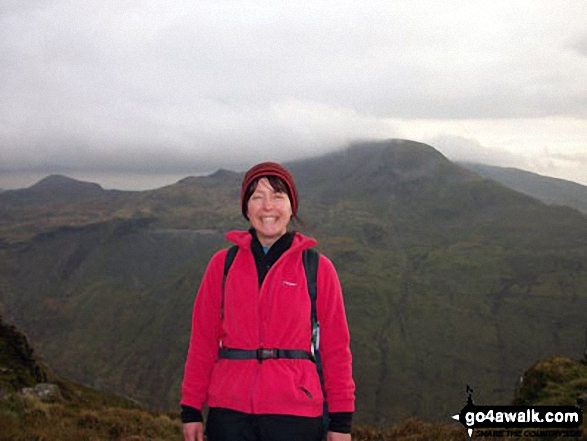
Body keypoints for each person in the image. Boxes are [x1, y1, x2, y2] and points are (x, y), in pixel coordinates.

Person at [180, 162, 355, 441]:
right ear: (246, 208)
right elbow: (203, 339)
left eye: (277, 196)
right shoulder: (222, 266)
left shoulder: (318, 269)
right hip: (229, 415)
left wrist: (341, 421)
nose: (267, 206)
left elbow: (336, 349)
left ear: (291, 207)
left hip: (296, 417)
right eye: (257, 197)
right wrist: (191, 409)